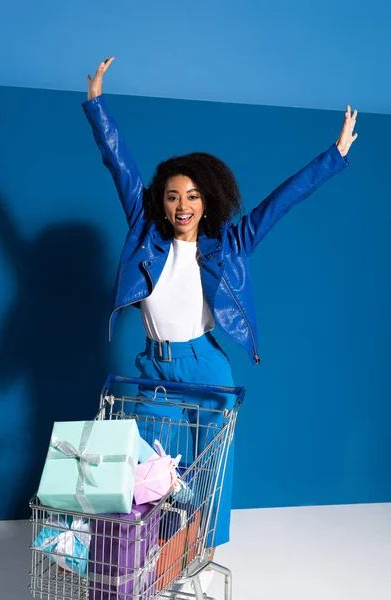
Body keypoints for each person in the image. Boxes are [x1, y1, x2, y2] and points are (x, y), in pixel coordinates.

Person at [83, 57, 358, 596]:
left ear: (207, 201)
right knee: (155, 475)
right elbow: (120, 165)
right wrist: (96, 105)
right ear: (159, 202)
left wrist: (336, 156)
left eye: (192, 195)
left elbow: (282, 201)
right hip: (155, 368)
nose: (182, 205)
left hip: (207, 365)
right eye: (172, 195)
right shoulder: (145, 233)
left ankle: (200, 561)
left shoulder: (230, 245)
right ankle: (158, 565)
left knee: (209, 474)